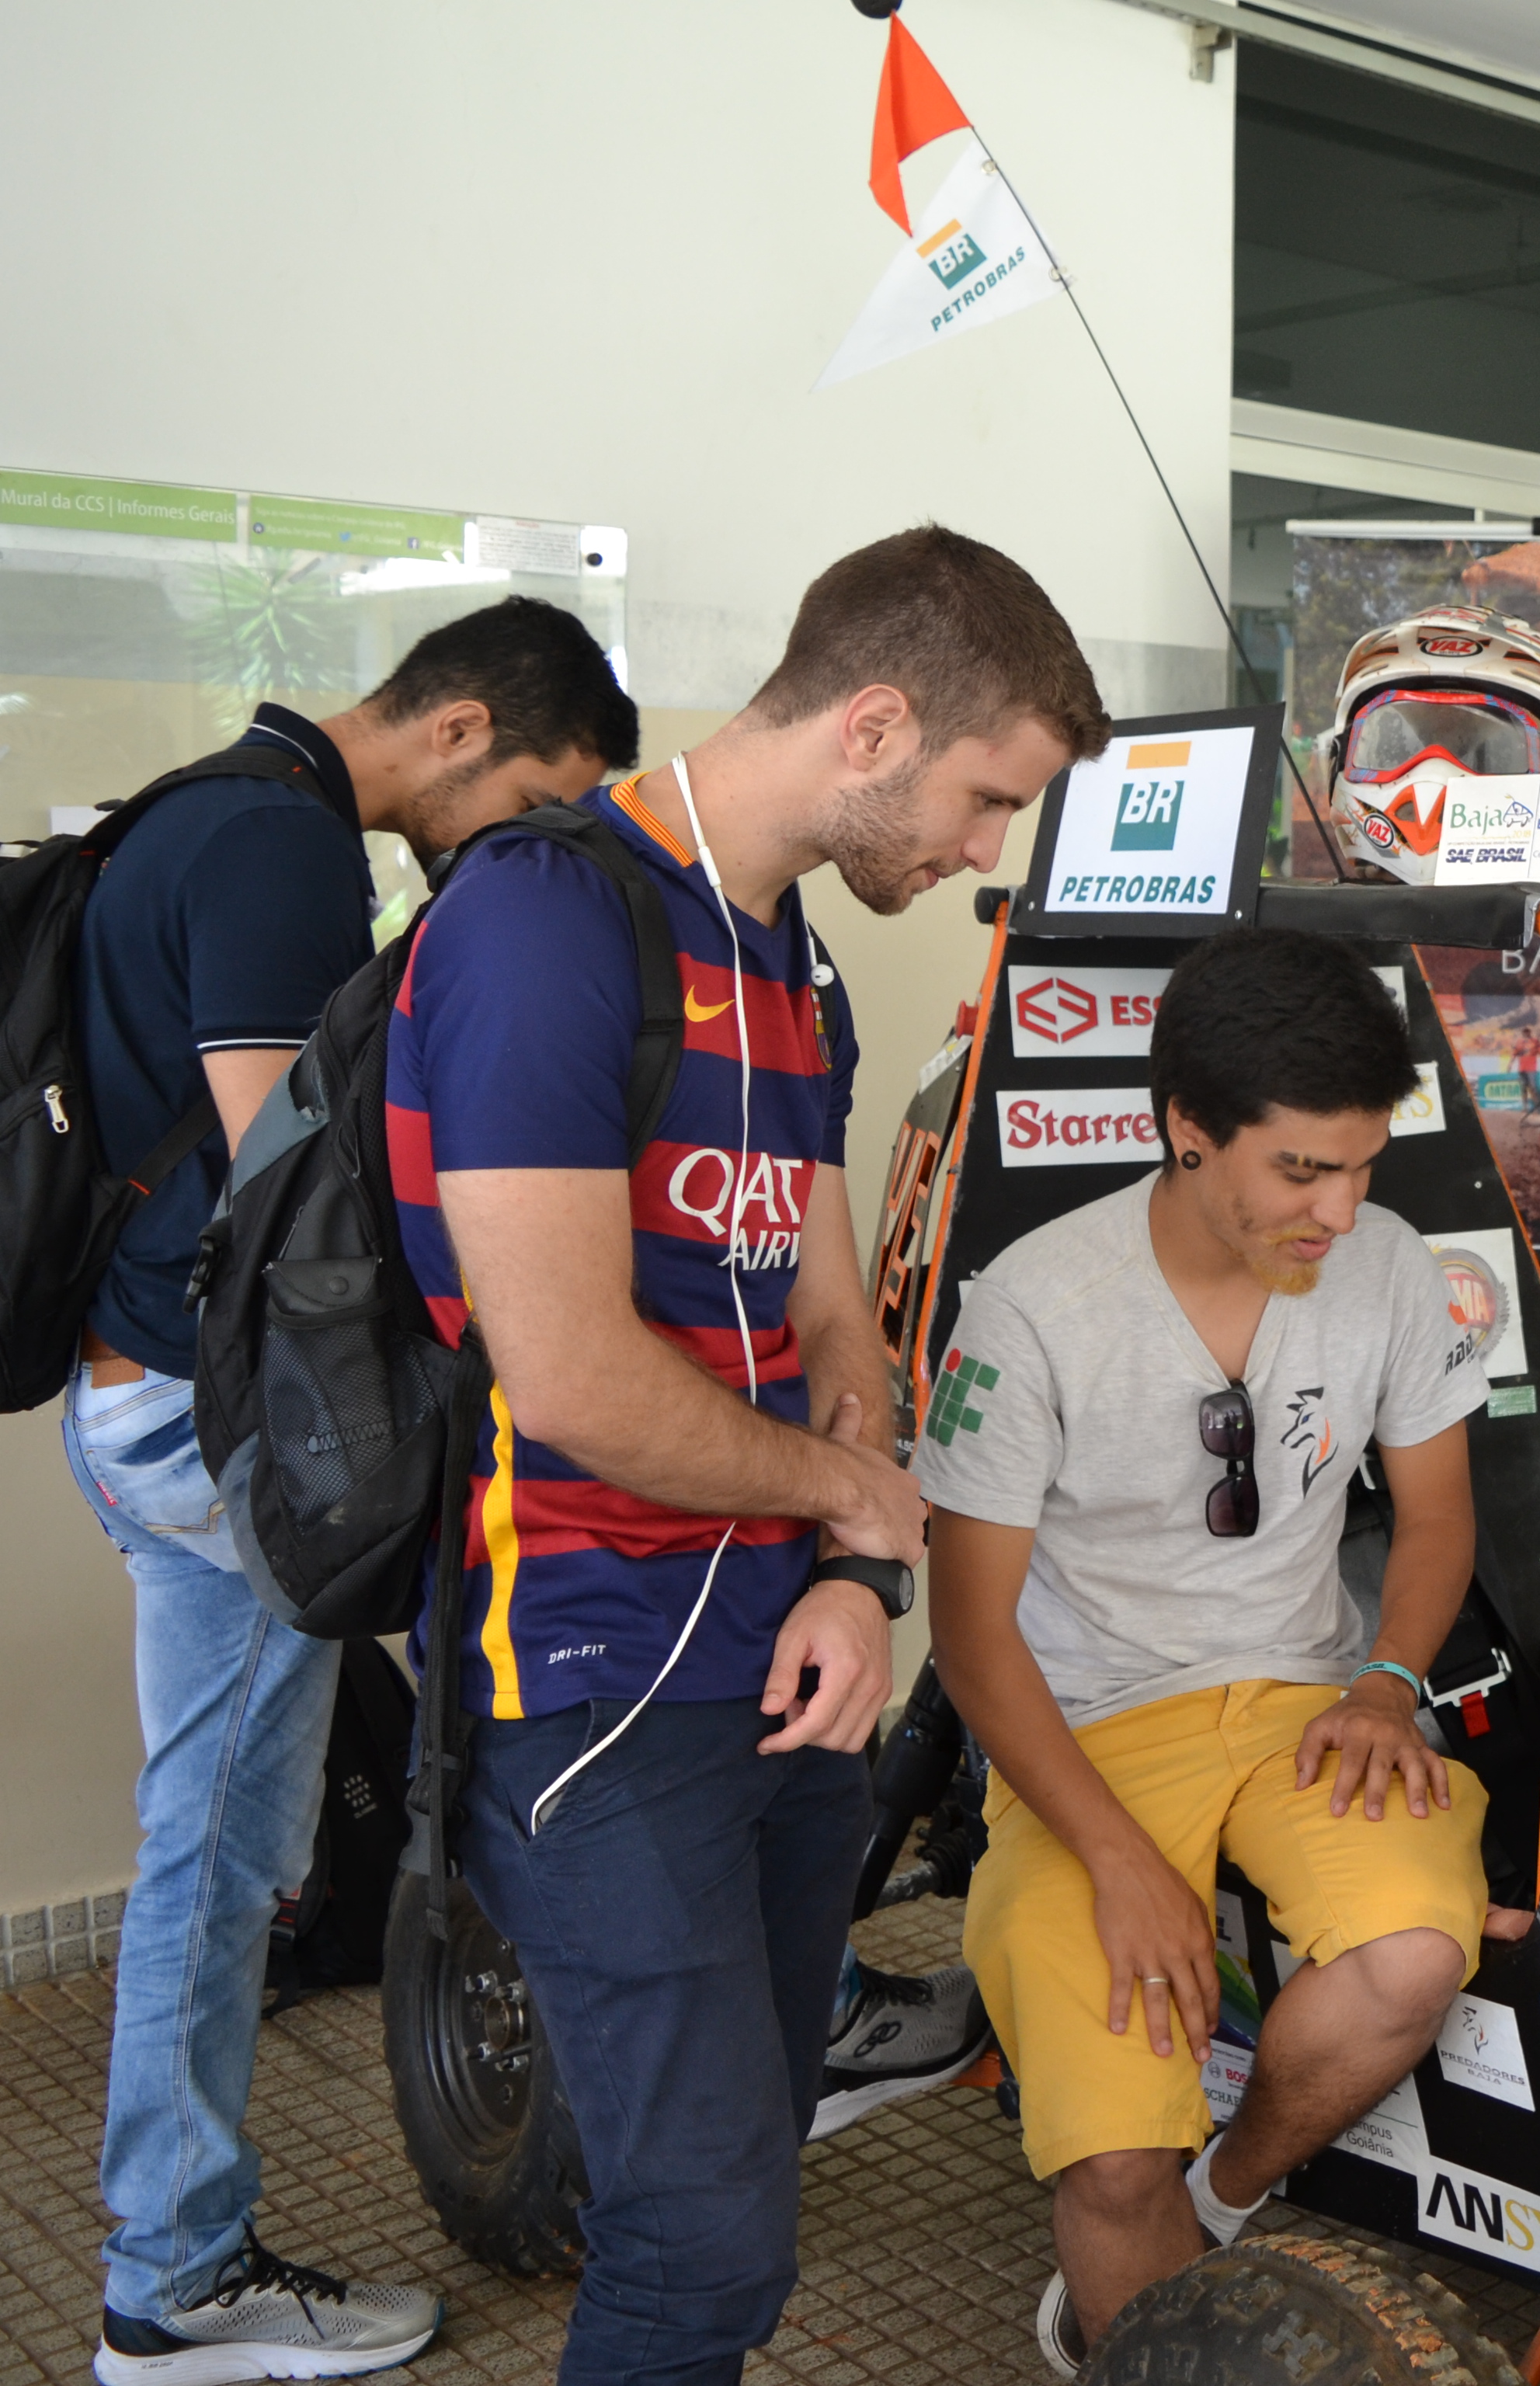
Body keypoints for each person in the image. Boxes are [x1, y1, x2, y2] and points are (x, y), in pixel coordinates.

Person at [395, 527, 1104, 2386]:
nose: (977, 855)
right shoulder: (542, 920)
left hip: (781, 1665)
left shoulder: (785, 949)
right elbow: (561, 1369)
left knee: (748, 2175)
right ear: (873, 723)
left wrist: (860, 1582)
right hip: (584, 1659)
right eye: (979, 800)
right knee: (699, 2241)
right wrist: (853, 1501)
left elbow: (826, 1299)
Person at [65, 600, 636, 2384]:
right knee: (219, 1859)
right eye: (534, 797)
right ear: (462, 727)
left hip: (135, 1394)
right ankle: (174, 2278)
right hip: (206, 1429)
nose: (523, 844)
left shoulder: (203, 802)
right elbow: (293, 1213)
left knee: (224, 1841)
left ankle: (179, 2257)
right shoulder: (283, 852)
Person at [916, 928, 1489, 2371]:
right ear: (1186, 1130)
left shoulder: (1392, 1267)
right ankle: (1142, 2258)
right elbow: (970, 1635)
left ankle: (1221, 2200)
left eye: (1361, 1166)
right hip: (1086, 1733)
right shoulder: (1035, 1306)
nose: (1341, 1209)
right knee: (1107, 2168)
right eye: (1302, 1170)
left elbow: (1433, 1522)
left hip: (1306, 1703)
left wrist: (1384, 1684)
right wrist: (1118, 1860)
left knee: (1413, 1955)